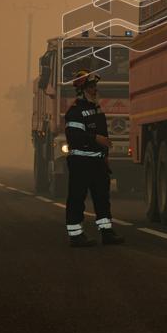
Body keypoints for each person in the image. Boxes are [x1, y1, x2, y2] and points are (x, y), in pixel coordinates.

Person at [64, 69, 125, 247]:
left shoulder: (96, 108)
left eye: (95, 86)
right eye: (91, 87)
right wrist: (95, 139)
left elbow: (103, 134)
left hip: (98, 163)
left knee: (102, 199)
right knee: (77, 199)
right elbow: (74, 136)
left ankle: (106, 232)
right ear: (82, 90)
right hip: (80, 163)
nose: (95, 90)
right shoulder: (74, 111)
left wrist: (105, 156)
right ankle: (76, 235)